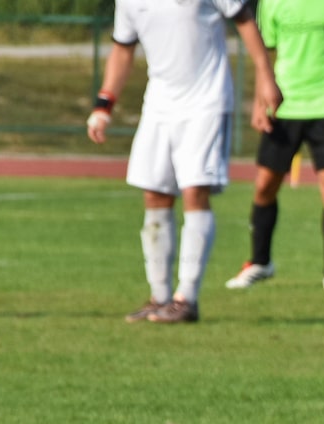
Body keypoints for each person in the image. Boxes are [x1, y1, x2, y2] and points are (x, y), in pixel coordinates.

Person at [87, 0, 282, 323]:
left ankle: (186, 299)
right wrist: (104, 104)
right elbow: (123, 48)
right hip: (159, 104)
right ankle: (159, 296)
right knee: (154, 195)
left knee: (195, 191)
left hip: (206, 102)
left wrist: (265, 77)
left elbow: (245, 19)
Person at [224, 0, 324, 295]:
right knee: (265, 185)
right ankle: (260, 262)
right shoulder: (272, 3)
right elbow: (264, 55)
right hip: (284, 104)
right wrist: (259, 101)